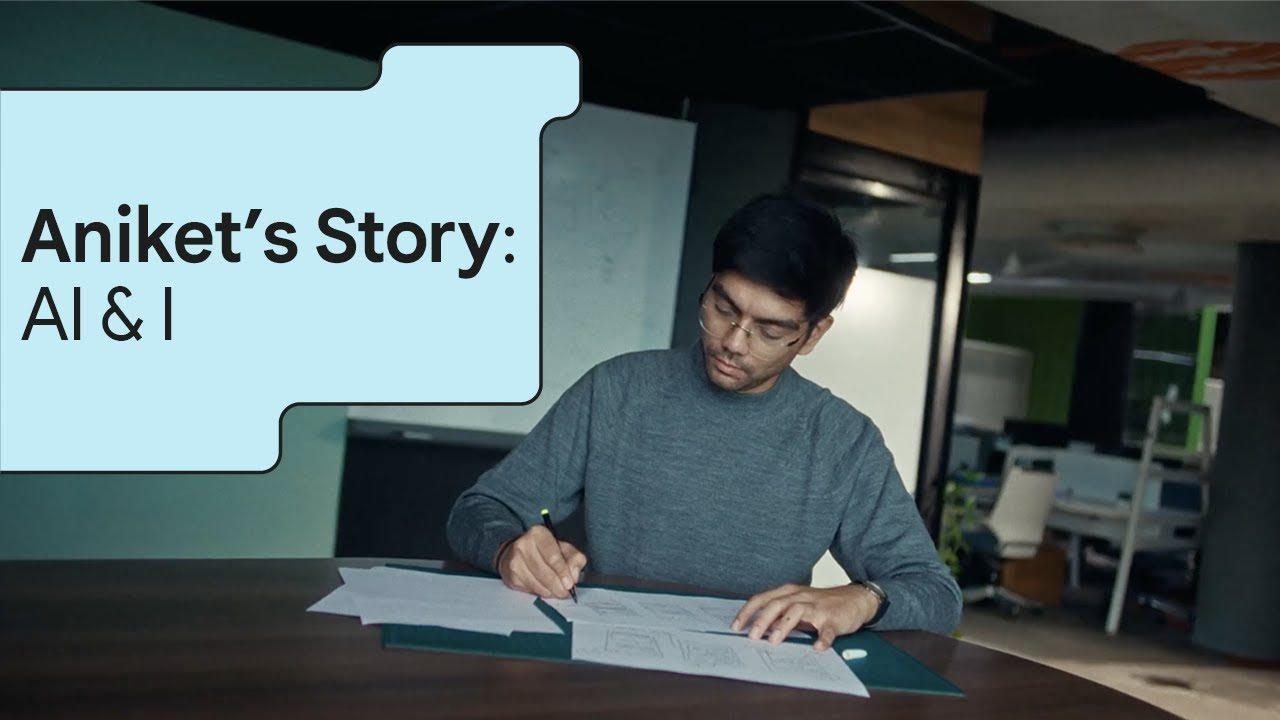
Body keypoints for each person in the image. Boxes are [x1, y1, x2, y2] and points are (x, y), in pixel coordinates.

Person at [446, 192, 962, 649]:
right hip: (610, 660)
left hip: (753, 678)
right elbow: (478, 510)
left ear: (813, 334)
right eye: (723, 308)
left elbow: (936, 595)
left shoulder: (843, 441)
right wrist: (508, 549)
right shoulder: (618, 390)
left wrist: (865, 598)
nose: (733, 342)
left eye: (769, 331)